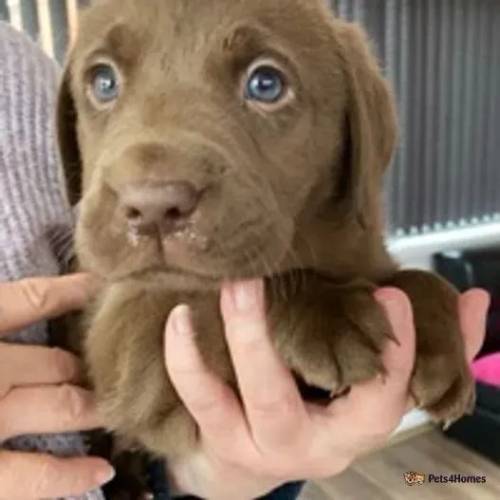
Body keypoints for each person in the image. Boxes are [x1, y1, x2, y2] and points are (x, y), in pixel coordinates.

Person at [0, 21, 489, 500]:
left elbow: (207, 465)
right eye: (105, 83)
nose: (148, 191)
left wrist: (227, 475)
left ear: (353, 130)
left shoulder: (17, 73)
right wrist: (284, 309)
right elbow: (132, 358)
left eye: (266, 83)